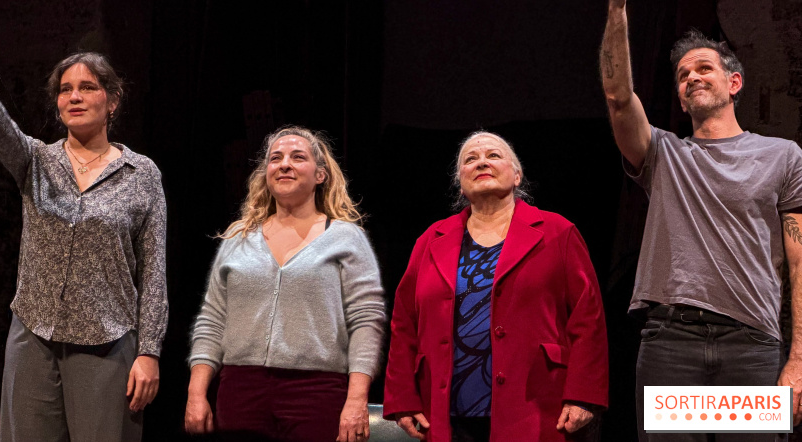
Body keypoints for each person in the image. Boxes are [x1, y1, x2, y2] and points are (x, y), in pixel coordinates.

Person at [601, 1, 802, 440]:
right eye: (683, 75)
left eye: (704, 68)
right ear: (679, 96)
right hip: (671, 343)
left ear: (734, 83)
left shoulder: (783, 155)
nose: (692, 76)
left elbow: (799, 262)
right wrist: (617, 10)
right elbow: (618, 98)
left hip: (752, 344)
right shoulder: (663, 154)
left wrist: (798, 361)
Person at [0, 52, 167, 442]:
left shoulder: (141, 174)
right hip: (33, 334)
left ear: (112, 100)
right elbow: (1, 128)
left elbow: (153, 269)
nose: (74, 97)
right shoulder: (37, 161)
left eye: (87, 87)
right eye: (65, 90)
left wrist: (149, 351)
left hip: (106, 340)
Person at [382, 131, 609, 442]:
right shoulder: (431, 240)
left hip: (537, 404)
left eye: (494, 155)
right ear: (459, 182)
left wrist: (584, 395)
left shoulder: (558, 231)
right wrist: (403, 397)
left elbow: (588, 319)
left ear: (517, 176)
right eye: (470, 159)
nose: (482, 162)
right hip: (447, 409)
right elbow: (404, 324)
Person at [185, 126, 386, 442]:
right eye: (275, 158)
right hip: (241, 388)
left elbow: (366, 322)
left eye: (298, 157)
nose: (284, 164)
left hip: (317, 391)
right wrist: (197, 392)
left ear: (320, 175)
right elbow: (212, 319)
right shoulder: (239, 238)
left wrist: (357, 398)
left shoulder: (346, 238)